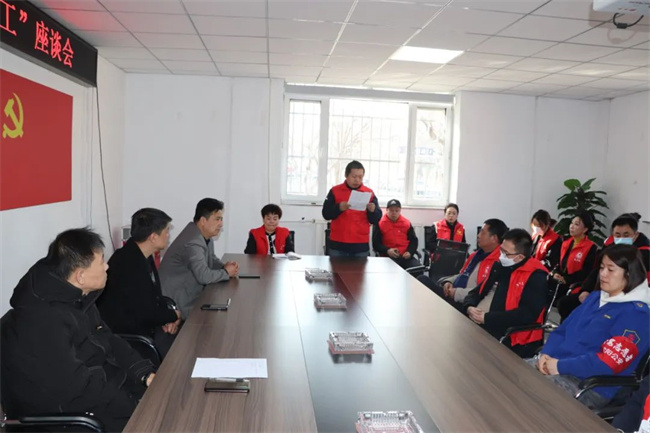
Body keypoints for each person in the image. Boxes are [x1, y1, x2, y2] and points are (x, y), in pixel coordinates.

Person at [0, 228, 156, 432]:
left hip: (102, 392)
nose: (107, 266)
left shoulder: (79, 296)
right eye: (101, 262)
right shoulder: (42, 321)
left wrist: (143, 373)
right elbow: (76, 390)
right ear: (80, 276)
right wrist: (133, 404)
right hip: (69, 419)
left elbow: (108, 339)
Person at [530, 244, 650, 409]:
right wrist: (546, 353)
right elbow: (562, 330)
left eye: (610, 269)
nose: (603, 274)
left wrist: (559, 366)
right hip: (555, 364)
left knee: (529, 394)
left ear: (630, 273)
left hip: (588, 385)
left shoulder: (637, 315)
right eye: (601, 268)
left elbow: (608, 363)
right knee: (511, 372)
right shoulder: (595, 298)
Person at [97, 208, 181, 359]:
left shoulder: (142, 255)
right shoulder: (128, 264)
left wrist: (168, 318)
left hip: (146, 325)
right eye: (166, 231)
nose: (168, 236)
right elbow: (144, 313)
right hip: (129, 336)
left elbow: (154, 296)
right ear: (153, 237)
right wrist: (174, 315)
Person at [462, 228, 548, 358]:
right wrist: (469, 306)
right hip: (490, 321)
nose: (501, 255)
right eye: (501, 250)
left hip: (514, 332)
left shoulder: (536, 276)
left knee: (470, 346)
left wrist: (487, 318)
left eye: (506, 253)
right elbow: (477, 291)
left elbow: (527, 314)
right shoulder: (500, 266)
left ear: (520, 257)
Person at [558, 213, 650, 322]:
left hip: (625, 298)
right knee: (565, 304)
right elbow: (597, 270)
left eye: (626, 235)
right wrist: (586, 290)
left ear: (635, 235)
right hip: (602, 292)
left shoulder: (643, 255)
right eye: (617, 235)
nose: (621, 238)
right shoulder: (610, 248)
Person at [160, 198, 239, 319]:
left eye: (221, 219)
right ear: (203, 220)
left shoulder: (204, 236)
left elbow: (210, 259)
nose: (221, 224)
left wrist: (224, 266)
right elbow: (203, 276)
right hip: (177, 305)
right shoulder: (193, 242)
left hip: (190, 296)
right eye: (217, 219)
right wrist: (226, 272)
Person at [418, 218, 507, 311]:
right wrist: (448, 282)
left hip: (465, 303)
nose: (478, 235)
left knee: (424, 286)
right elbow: (463, 274)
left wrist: (456, 293)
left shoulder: (499, 263)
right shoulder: (476, 255)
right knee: (422, 280)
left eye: (482, 232)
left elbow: (485, 292)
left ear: (494, 238)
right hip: (453, 293)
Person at [322, 160, 382, 257]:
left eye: (360, 177)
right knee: (336, 267)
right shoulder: (335, 191)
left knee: (360, 268)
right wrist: (339, 207)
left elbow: (376, 219)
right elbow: (326, 214)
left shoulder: (369, 193)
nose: (357, 180)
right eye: (354, 177)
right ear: (346, 175)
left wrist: (372, 211)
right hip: (338, 244)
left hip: (360, 245)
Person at [549, 212, 597, 306]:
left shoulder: (590, 247)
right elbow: (559, 263)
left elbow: (586, 272)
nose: (571, 226)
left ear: (585, 229)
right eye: (571, 223)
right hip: (561, 281)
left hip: (574, 284)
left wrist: (566, 279)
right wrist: (556, 273)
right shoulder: (566, 243)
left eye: (576, 224)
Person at [372, 199, 419, 269]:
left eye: (397, 211)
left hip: (405, 256)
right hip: (388, 257)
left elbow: (414, 241)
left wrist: (410, 252)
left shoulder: (406, 223)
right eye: (391, 210)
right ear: (386, 210)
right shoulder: (380, 224)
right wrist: (387, 250)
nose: (394, 213)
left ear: (400, 211)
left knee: (417, 269)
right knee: (393, 271)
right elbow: (376, 244)